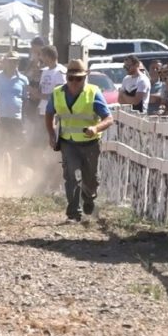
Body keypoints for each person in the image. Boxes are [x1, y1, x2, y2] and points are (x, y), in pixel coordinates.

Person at [45, 60, 114, 222]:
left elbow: (109, 118)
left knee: (91, 179)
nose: (74, 82)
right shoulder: (57, 93)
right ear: (66, 77)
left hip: (90, 144)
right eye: (71, 78)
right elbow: (49, 114)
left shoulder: (93, 92)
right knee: (71, 176)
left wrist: (95, 128)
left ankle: (88, 197)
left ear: (85, 78)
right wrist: (51, 134)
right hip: (68, 143)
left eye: (79, 78)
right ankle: (73, 212)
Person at [0, 50, 30, 181]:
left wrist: (24, 119)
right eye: (10, 61)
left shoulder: (23, 80)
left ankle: (14, 178)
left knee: (15, 149)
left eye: (15, 61)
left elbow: (25, 100)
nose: (13, 64)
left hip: (15, 119)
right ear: (5, 62)